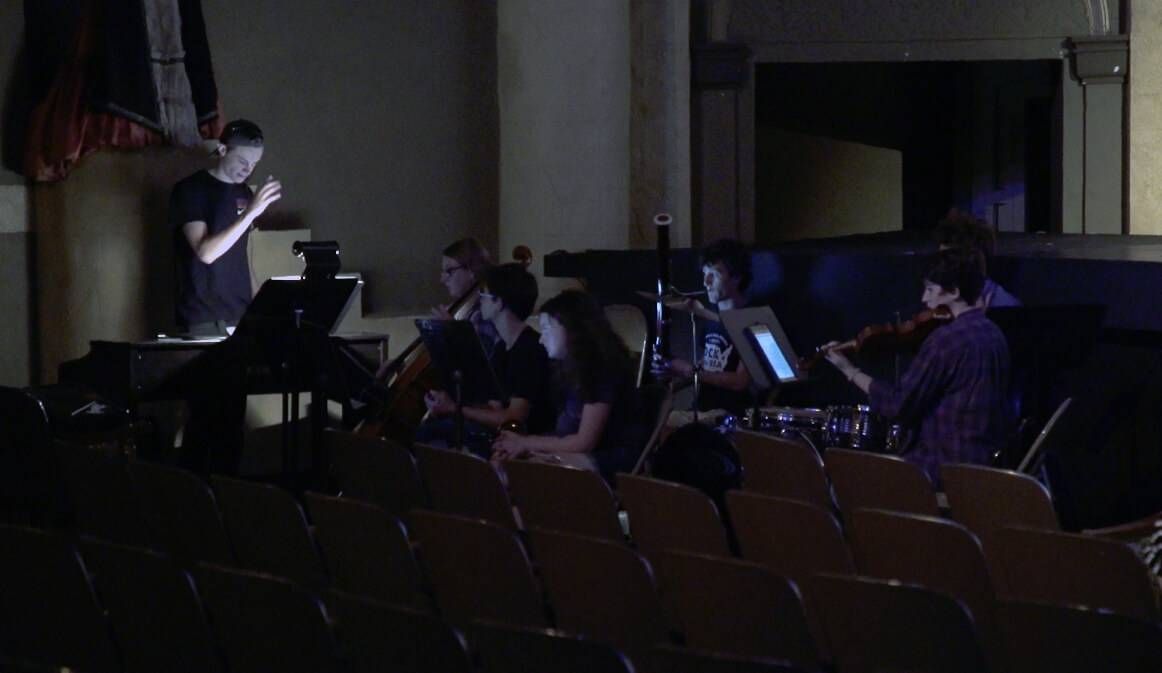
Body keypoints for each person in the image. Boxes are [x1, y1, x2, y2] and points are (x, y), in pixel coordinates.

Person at [823, 248, 1012, 483]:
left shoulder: (945, 341)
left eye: (931, 289)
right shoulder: (994, 334)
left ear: (954, 292)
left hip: (937, 470)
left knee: (850, 482)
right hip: (980, 469)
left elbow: (897, 405)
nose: (924, 299)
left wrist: (849, 370)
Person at [492, 289, 648, 481]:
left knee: (525, 470)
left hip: (609, 457)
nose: (541, 338)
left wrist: (525, 443)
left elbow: (584, 442)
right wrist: (520, 446)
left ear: (572, 329)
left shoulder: (602, 369)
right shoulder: (568, 368)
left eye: (547, 328)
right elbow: (564, 432)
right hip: (575, 450)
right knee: (507, 463)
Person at [417, 263, 553, 455]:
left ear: (499, 303)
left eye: (484, 295)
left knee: (436, 433)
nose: (480, 301)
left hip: (522, 438)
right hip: (499, 434)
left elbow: (514, 418)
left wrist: (455, 408)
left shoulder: (529, 350)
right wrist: (447, 403)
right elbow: (493, 406)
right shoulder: (502, 347)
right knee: (433, 427)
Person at [171, 119, 282, 335]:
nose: (248, 169)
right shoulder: (190, 190)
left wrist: (262, 305)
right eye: (242, 161)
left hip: (240, 315)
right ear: (222, 150)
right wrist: (251, 212)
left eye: (254, 163)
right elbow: (206, 253)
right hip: (203, 317)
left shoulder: (245, 194)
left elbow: (244, 256)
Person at [652, 238, 754, 414]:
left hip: (729, 413)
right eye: (705, 273)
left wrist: (687, 369)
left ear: (736, 277)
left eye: (714, 274)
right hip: (703, 408)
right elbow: (709, 368)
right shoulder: (710, 319)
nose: (706, 282)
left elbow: (740, 381)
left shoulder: (751, 320)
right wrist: (672, 373)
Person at [934, 209, 1020, 308]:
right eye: (941, 259)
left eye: (948, 259)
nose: (941, 267)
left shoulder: (1005, 304)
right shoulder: (943, 298)